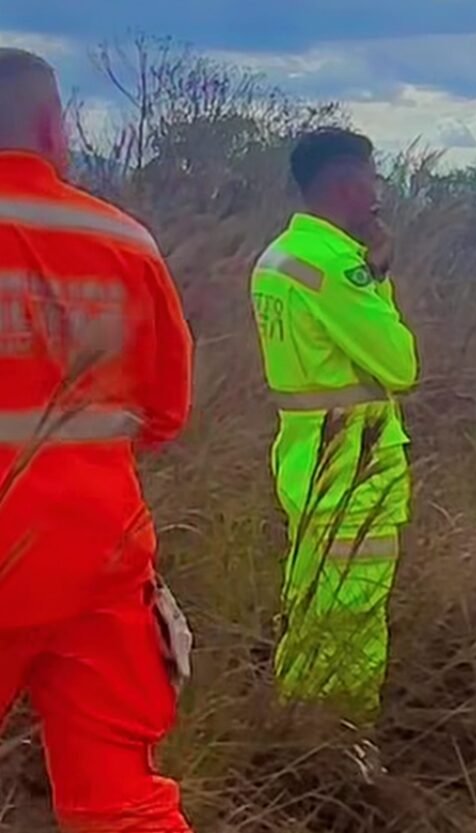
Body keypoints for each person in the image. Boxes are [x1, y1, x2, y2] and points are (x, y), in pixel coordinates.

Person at [0, 48, 195, 831]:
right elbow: (164, 414)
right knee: (121, 801)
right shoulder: (125, 241)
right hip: (100, 558)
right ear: (54, 127)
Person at [249, 128, 419, 725]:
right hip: (354, 472)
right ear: (347, 185)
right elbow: (400, 365)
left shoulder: (278, 257)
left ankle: (294, 727)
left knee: (310, 609)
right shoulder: (336, 267)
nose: (378, 195)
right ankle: (346, 740)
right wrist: (378, 277)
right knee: (355, 620)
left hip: (304, 461)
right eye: (372, 179)